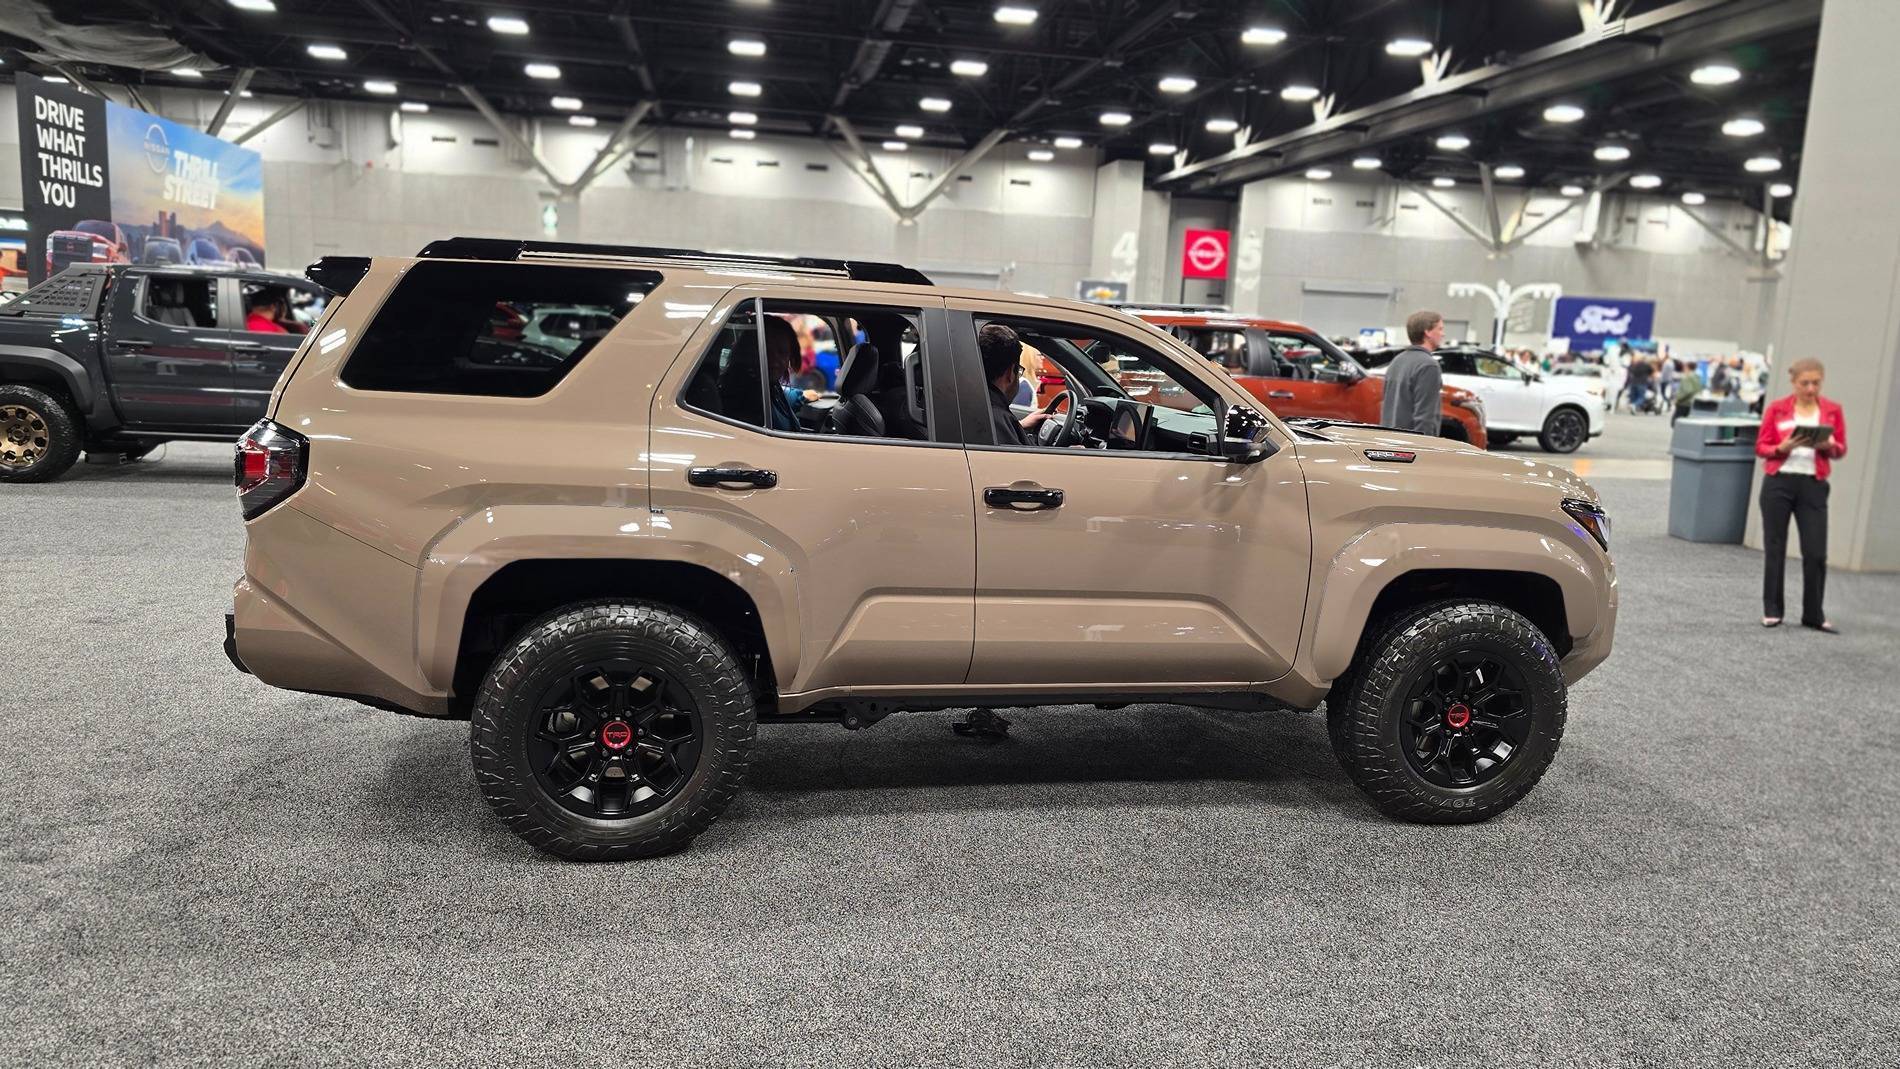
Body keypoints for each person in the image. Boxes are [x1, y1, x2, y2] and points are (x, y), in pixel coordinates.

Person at [1755, 357, 1847, 633]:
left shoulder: (1831, 410)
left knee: (1816, 552)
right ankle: (1772, 610)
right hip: (1779, 483)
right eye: (1804, 383)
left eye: (1816, 383)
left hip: (1813, 484)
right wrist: (1780, 447)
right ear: (1794, 383)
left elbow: (1840, 449)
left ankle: (1813, 614)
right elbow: (1762, 446)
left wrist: (1830, 445)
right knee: (1775, 547)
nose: (1810, 388)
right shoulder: (1778, 409)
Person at [979, 323, 1050, 445]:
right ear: (1010, 373)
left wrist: (1020, 425)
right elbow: (1027, 463)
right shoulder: (997, 418)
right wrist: (1073, 455)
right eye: (1019, 371)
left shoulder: (978, 409)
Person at [1379, 310, 1445, 436]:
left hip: (1389, 440)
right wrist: (1425, 446)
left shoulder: (1397, 361)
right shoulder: (1428, 366)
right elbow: (1425, 416)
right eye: (1440, 329)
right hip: (1412, 446)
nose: (1443, 334)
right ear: (1427, 332)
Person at [763, 315, 821, 432]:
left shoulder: (769, 387)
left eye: (783, 352)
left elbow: (776, 395)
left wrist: (801, 396)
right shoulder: (747, 397)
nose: (775, 360)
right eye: (767, 351)